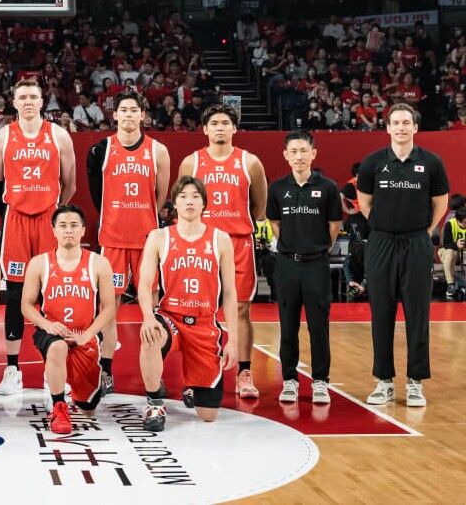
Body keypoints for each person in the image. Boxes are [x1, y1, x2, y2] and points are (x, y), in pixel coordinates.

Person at [357, 103, 449, 407]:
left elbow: (440, 202)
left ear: (415, 128)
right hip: (381, 242)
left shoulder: (432, 162)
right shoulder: (372, 162)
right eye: (395, 123)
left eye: (406, 122)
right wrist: (383, 226)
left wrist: (425, 231)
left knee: (418, 314)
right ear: (387, 128)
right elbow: (364, 202)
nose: (400, 127)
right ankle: (383, 381)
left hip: (417, 243)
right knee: (381, 312)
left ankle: (415, 382)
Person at [0, 79, 76, 395]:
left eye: (33, 96)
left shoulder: (59, 135)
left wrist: (51, 212)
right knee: (15, 294)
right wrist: (16, 209)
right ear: (14, 102)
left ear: (42, 101)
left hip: (48, 220)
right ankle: (12, 370)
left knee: (53, 293)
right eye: (22, 97)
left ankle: (53, 370)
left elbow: (70, 184)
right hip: (16, 221)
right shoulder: (2, 137)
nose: (28, 101)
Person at [177, 104, 267, 398]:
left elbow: (259, 208)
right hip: (202, 243)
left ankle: (244, 373)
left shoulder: (250, 162)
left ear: (234, 128)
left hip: (238, 242)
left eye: (225, 123)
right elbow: (183, 205)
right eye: (214, 123)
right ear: (204, 129)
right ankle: (197, 375)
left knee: (240, 309)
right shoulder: (191, 162)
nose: (219, 127)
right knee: (197, 310)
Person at [85, 90, 170, 393]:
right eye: (124, 110)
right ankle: (106, 371)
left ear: (142, 115)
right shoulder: (101, 149)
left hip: (147, 240)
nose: (129, 114)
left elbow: (160, 197)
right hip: (113, 239)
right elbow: (97, 194)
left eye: (134, 110)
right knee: (109, 305)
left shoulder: (158, 150)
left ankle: (155, 372)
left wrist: (145, 218)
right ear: (115, 114)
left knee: (153, 306)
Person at [138, 176, 238, 430]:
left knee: (207, 415)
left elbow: (230, 293)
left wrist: (234, 340)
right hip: (170, 317)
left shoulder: (220, 239)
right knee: (150, 336)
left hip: (204, 324)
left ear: (204, 203)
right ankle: (154, 402)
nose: (189, 201)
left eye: (195, 196)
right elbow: (144, 284)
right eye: (183, 196)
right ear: (175, 203)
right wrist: (148, 317)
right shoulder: (159, 237)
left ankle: (192, 383)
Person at [20, 205, 115, 433]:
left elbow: (110, 307)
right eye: (62, 226)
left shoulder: (99, 263)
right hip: (51, 332)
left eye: (74, 225)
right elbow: (26, 305)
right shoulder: (39, 263)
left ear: (83, 230)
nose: (68, 230)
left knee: (88, 408)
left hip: (84, 336)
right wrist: (47, 325)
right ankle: (59, 406)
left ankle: (73, 385)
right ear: (54, 231)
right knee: (57, 347)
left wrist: (88, 335)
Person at [266, 131, 343, 404]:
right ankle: (290, 380)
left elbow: (335, 225)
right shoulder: (277, 188)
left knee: (318, 326)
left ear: (313, 154)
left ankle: (320, 381)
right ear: (286, 155)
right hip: (287, 264)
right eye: (294, 151)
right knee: (287, 326)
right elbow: (274, 222)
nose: (299, 156)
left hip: (316, 265)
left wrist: (318, 247)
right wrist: (290, 244)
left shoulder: (328, 187)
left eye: (303, 151)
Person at [439, 205, 466, 299]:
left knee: (450, 258)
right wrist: (456, 245)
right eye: (464, 222)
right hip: (448, 251)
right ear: (458, 220)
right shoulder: (450, 224)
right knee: (450, 253)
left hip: (463, 254)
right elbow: (446, 244)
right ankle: (450, 284)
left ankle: (458, 284)